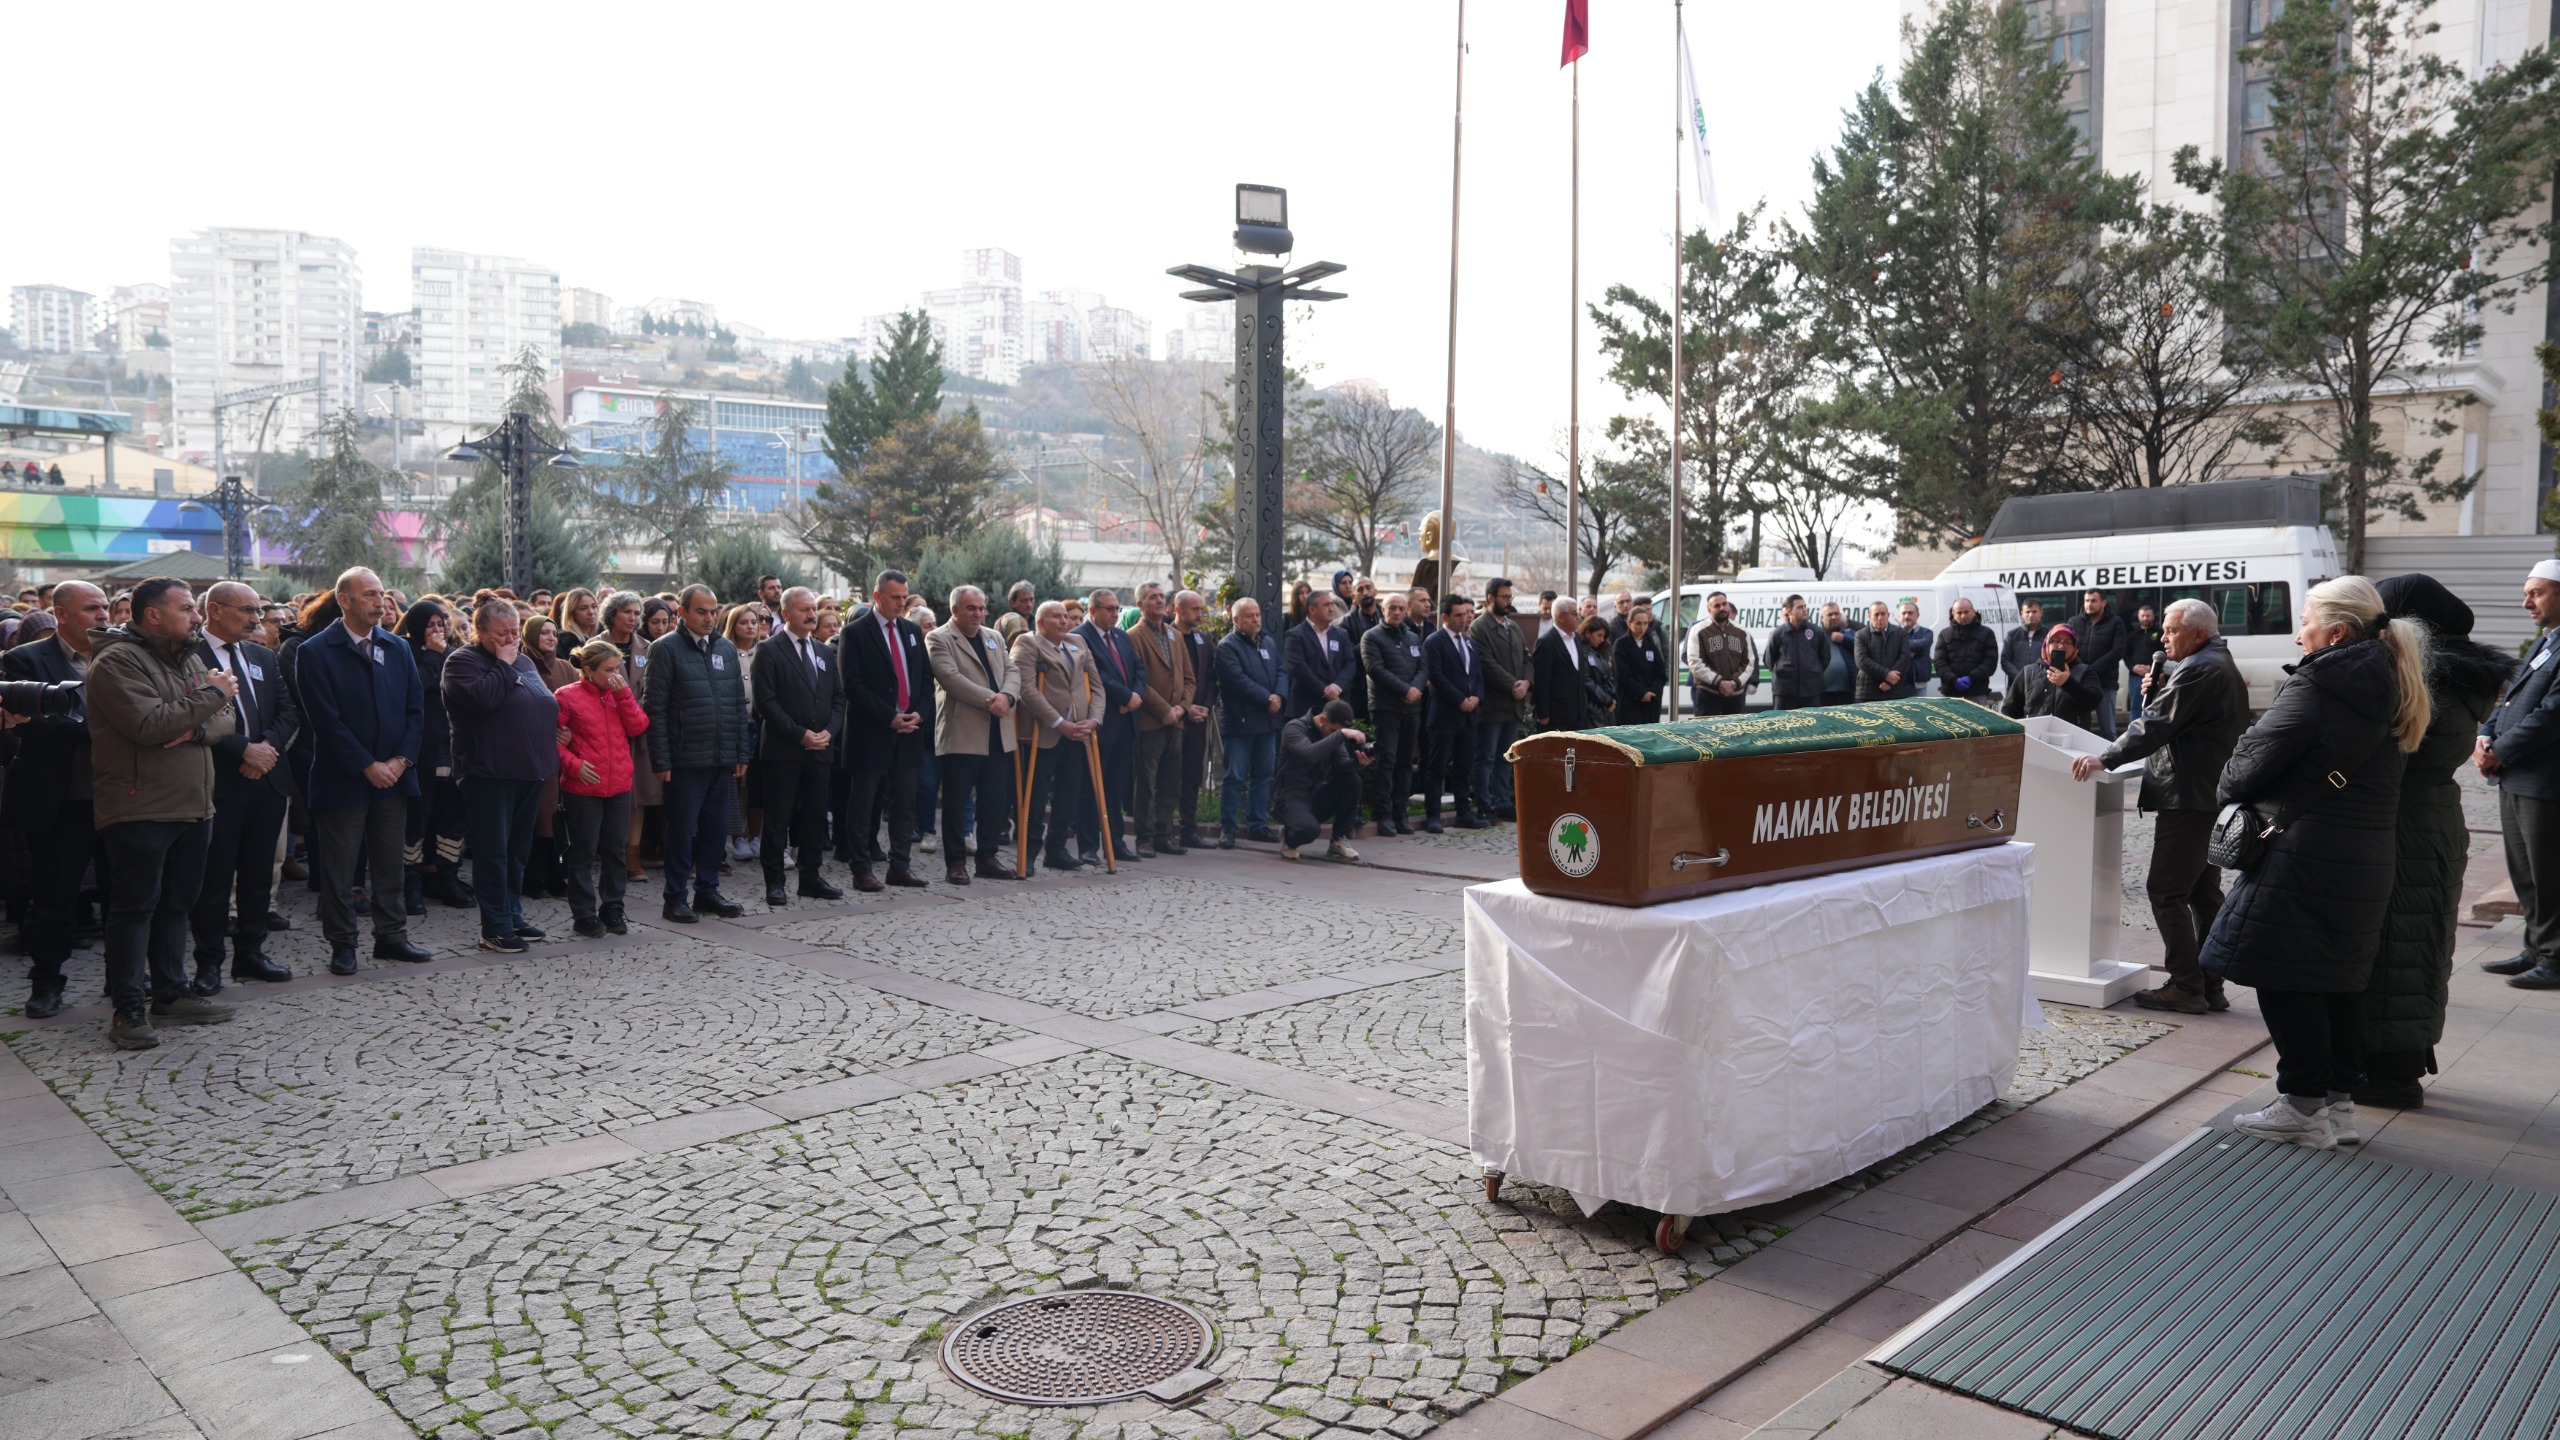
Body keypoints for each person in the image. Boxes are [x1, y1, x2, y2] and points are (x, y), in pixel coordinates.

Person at [2200, 576, 2429, 1149]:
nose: (2298, 632)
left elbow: (2242, 771)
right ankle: (2338, 1106)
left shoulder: (2321, 684)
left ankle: (2301, 1107)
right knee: (2338, 980)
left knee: (2284, 973)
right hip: (2364, 855)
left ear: (2336, 631)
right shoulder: (2393, 679)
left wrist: (2239, 769)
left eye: (2305, 620)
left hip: (2305, 852)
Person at [2353, 577, 2511, 1107]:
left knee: (2395, 943)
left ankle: (2390, 1072)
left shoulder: (2421, 679)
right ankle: (2406, 1056)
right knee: (2422, 943)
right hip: (2435, 820)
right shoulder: (2463, 678)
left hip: (2401, 819)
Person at [2069, 598, 2251, 1014]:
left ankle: (2187, 985)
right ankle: (2208, 982)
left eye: (2171, 631)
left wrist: (2106, 756)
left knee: (2166, 891)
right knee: (2203, 893)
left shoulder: (2201, 668)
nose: (2162, 638)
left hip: (2189, 797)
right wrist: (2167, 687)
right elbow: (2177, 715)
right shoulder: (2211, 661)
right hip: (2206, 794)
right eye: (2163, 631)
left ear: (2198, 634)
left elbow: (2156, 724)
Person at [85, 577, 239, 1050]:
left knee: (177, 906)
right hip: (139, 806)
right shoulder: (116, 661)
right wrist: (211, 697)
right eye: (189, 608)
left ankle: (171, 993)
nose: (198, 617)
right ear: (153, 615)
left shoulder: (188, 657)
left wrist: (194, 725)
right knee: (134, 909)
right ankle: (128, 1008)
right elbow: (150, 726)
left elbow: (225, 721)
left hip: (194, 805)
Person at [295, 568, 431, 975]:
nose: (381, 602)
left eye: (382, 594)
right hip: (343, 779)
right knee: (340, 870)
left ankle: (392, 936)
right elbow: (325, 720)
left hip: (394, 777)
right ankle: (343, 943)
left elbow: (415, 711)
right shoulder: (316, 650)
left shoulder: (397, 647)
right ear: (345, 600)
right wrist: (366, 765)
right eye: (370, 594)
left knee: (390, 863)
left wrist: (399, 761)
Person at [186, 581, 299, 996]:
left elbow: (288, 711)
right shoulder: (186, 656)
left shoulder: (261, 656)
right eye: (246, 610)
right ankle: (209, 962)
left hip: (266, 780)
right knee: (215, 880)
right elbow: (190, 717)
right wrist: (243, 752)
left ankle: (251, 953)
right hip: (219, 781)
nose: (256, 618)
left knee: (256, 877)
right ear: (214, 610)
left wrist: (265, 750)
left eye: (258, 610)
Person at [4, 582, 102, 1017]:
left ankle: (126, 981)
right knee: (54, 897)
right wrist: (98, 727)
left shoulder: (118, 654)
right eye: (91, 608)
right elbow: (22, 723)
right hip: (59, 800)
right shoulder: (22, 659)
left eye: (104, 607)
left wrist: (69, 720)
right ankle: (46, 983)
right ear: (60, 614)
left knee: (125, 896)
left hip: (121, 795)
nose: (102, 615)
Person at [442, 598, 561, 953]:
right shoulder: (462, 662)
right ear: (480, 632)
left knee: (517, 850)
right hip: (488, 772)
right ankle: (493, 926)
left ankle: (512, 914)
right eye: (502, 633)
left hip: (529, 770)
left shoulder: (523, 660)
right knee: (494, 852)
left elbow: (542, 702)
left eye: (515, 632)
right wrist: (505, 665)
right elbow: (485, 699)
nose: (511, 640)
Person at [645, 584, 751, 922]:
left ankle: (707, 891)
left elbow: (736, 704)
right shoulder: (666, 649)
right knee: (681, 831)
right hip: (684, 760)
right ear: (683, 613)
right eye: (701, 611)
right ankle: (675, 897)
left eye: (713, 610)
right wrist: (661, 760)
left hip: (721, 758)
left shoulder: (726, 649)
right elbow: (655, 708)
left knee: (715, 830)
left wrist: (740, 752)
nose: (710, 617)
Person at [2478, 560, 2560, 989]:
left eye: (2537, 592)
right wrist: (2485, 736)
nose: (2526, 602)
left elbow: (2552, 715)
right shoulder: (2546, 642)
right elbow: (2510, 702)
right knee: (2525, 870)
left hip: (2544, 780)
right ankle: (2536, 947)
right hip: (2515, 775)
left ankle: (2555, 956)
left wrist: (2501, 751)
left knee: (2548, 873)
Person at [750, 586, 847, 905]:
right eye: (804, 609)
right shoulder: (769, 650)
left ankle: (811, 877)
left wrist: (828, 733)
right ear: (787, 613)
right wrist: (800, 734)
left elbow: (837, 698)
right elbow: (766, 702)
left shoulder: (824, 652)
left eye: (812, 609)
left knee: (815, 816)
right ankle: (774, 881)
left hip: (820, 750)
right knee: (778, 818)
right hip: (783, 750)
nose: (811, 614)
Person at [840, 570, 936, 888]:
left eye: (904, 598)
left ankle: (900, 865)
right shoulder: (855, 632)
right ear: (877, 595)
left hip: (909, 731)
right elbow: (851, 685)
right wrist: (888, 716)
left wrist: (918, 714)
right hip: (872, 731)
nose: (900, 603)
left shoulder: (910, 630)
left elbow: (924, 679)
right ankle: (861, 869)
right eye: (895, 598)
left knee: (905, 802)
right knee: (864, 803)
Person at [926, 585, 1021, 884]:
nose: (978, 613)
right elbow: (950, 679)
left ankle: (987, 858)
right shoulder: (939, 638)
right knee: (956, 801)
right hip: (962, 732)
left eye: (981, 608)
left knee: (994, 800)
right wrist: (992, 700)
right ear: (955, 610)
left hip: (997, 732)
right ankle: (955, 862)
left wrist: (1008, 696)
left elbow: (1013, 671)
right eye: (971, 608)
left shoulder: (993, 637)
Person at [553, 639, 648, 936]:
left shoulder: (618, 694)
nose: (615, 674)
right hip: (583, 788)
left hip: (619, 785)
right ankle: (583, 914)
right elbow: (550, 741)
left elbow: (639, 726)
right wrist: (574, 765)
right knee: (582, 852)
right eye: (608, 669)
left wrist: (624, 696)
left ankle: (612, 907)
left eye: (617, 667)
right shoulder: (566, 697)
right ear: (589, 670)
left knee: (615, 851)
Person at [1012, 599, 1103, 873]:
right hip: (1045, 731)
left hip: (1078, 732)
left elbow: (1096, 686)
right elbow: (1027, 689)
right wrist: (1058, 722)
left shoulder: (1077, 643)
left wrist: (1094, 720)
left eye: (1065, 616)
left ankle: (1057, 849)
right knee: (1037, 793)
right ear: (1040, 623)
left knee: (1069, 792)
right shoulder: (1028, 644)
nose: (1064, 621)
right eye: (1056, 616)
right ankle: (1027, 852)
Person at [396, 600, 469, 908]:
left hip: (451, 748)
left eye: (442, 624)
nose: (437, 630)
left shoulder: (454, 656)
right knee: (416, 819)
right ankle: (411, 882)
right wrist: (432, 656)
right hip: (420, 750)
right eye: (430, 624)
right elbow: (414, 688)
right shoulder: (404, 654)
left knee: (451, 818)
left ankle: (446, 876)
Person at [1073, 589, 1143, 864]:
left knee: (1115, 786)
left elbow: (1139, 669)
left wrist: (1136, 696)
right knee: (1091, 786)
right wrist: (1125, 696)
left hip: (1125, 723)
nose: (1115, 614)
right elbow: (1094, 675)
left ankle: (1115, 843)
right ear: (1093, 610)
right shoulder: (1080, 636)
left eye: (1116, 609)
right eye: (1109, 609)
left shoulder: (1121, 636)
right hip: (1100, 722)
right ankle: (1088, 846)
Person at [1128, 583, 1192, 856]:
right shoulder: (1132, 636)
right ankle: (1144, 836)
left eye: (1161, 596)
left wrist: (1181, 708)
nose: (1158, 601)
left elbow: (1189, 679)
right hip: (1150, 720)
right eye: (1151, 597)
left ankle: (1165, 834)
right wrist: (1164, 709)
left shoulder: (1175, 635)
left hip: (1176, 720)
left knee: (1170, 780)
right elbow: (1137, 680)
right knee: (1146, 781)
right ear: (1140, 604)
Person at [1214, 597, 1284, 846]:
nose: (1255, 619)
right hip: (1240, 722)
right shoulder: (1227, 646)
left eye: (1257, 614)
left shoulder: (1268, 641)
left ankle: (1257, 825)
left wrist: (1279, 695)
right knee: (1234, 777)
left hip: (1267, 722)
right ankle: (1229, 828)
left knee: (1263, 776)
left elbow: (1281, 671)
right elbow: (1237, 681)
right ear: (1235, 620)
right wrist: (1268, 699)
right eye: (1248, 615)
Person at [1422, 594, 1488, 832]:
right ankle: (1433, 815)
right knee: (1437, 767)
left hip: (1469, 716)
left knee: (1464, 766)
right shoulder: (1434, 641)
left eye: (1466, 614)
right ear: (1445, 617)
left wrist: (1477, 697)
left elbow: (1478, 675)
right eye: (1458, 615)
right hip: (1444, 716)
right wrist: (1460, 699)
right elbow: (1437, 676)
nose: (1464, 619)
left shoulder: (1469, 642)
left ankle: (1463, 811)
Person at [1361, 591, 1425, 834]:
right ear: (1383, 610)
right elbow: (1375, 669)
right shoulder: (1371, 637)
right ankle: (1384, 814)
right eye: (1392, 608)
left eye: (1400, 608)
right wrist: (1404, 689)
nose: (1397, 612)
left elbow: (1423, 666)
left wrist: (1415, 689)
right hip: (1386, 707)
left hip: (1412, 708)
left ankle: (1401, 813)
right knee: (1386, 761)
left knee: (1406, 762)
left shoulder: (1412, 637)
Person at [1276, 698, 1371, 862]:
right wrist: (1341, 735)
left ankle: (1339, 839)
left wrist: (1359, 762)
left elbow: (1342, 766)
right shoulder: (1295, 727)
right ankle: (1289, 836)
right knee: (1309, 831)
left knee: (1352, 780)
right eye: (1333, 730)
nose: (1336, 734)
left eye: (1339, 731)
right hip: (1290, 795)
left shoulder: (1334, 734)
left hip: (1316, 793)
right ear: (1322, 720)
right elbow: (1309, 753)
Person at [1468, 578, 1531, 821]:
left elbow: (1527, 659)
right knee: (1486, 757)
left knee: (1506, 757)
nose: (1509, 602)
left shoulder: (1512, 627)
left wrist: (1526, 682)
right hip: (1494, 704)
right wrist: (1512, 684)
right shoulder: (1479, 627)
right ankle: (1485, 803)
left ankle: (1503, 802)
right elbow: (1486, 662)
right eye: (1505, 597)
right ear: (1491, 598)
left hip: (1514, 703)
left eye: (1510, 597)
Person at [1173, 591, 1217, 850]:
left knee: (1193, 775)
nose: (1200, 614)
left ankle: (1189, 830)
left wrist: (1207, 707)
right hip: (1175, 717)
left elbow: (1211, 677)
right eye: (1194, 610)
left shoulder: (1203, 638)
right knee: (1169, 776)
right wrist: (1186, 707)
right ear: (1178, 610)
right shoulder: (1167, 635)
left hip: (1199, 718)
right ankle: (1162, 829)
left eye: (1201, 609)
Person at [2001, 624, 2100, 729]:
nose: (2061, 646)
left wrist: (2067, 682)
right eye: (2056, 641)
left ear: (2075, 647)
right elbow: (2009, 708)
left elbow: (2093, 702)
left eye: (2068, 642)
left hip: (2072, 738)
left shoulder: (2085, 671)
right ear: (2047, 643)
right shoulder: (2028, 671)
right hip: (2034, 737)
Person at [1285, 588, 1358, 723]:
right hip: (1307, 708)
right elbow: (1299, 668)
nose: (1331, 609)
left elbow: (1350, 663)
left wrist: (1337, 687)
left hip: (1339, 705)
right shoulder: (1295, 635)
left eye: (1331, 604)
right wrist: (1325, 691)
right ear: (1312, 610)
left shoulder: (1341, 634)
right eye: (1326, 605)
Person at [2069, 589, 2131, 739]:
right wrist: (2083, 670)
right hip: (2079, 683)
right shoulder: (2074, 622)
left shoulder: (2116, 622)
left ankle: (2111, 762)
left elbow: (2118, 650)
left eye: (2093, 601)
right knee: (2078, 727)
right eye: (2087, 600)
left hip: (2105, 682)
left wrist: (2091, 670)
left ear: (2103, 602)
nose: (2089, 604)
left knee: (2108, 730)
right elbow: (2069, 648)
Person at [1532, 599, 1594, 731]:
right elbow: (1541, 681)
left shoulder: (1576, 638)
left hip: (1577, 714)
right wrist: (1543, 713)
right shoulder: (1546, 642)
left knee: (1575, 751)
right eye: (1574, 613)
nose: (1578, 617)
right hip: (1556, 716)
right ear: (1561, 616)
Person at [1689, 592, 1754, 714]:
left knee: (1734, 732)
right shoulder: (1698, 631)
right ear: (1709, 609)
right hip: (1709, 695)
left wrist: (1734, 682)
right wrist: (1719, 682)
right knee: (1707, 732)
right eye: (1717, 605)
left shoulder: (1741, 632)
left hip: (1735, 695)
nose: (1722, 608)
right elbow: (1695, 662)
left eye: (1724, 604)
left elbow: (1749, 662)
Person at [1762, 596, 1827, 712]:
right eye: (1800, 607)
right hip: (1785, 692)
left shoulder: (1816, 632)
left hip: (1810, 691)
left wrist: (1813, 671)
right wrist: (1784, 672)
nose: (1804, 610)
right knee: (1783, 725)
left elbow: (1825, 658)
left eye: (1805, 607)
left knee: (1811, 725)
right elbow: (1769, 660)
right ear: (1789, 611)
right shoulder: (1778, 634)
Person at [1932, 599, 2000, 706]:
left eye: (1966, 612)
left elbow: (1990, 663)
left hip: (1977, 691)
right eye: (1959, 613)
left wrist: (1971, 677)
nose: (1963, 616)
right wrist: (1953, 680)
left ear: (1973, 611)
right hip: (1950, 692)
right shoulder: (1945, 634)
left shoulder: (1986, 633)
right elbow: (1939, 662)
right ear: (1953, 614)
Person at [1614, 606, 1664, 725]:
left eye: (1645, 623)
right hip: (1630, 702)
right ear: (1629, 623)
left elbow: (1660, 673)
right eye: (1638, 624)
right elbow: (1623, 674)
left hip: (1650, 702)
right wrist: (1641, 693)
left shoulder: (1650, 644)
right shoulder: (1621, 644)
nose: (1642, 628)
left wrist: (1652, 691)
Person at [1853, 602, 1913, 702]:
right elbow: (1861, 660)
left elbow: (1905, 657)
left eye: (1883, 614)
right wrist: (1886, 674)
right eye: (1876, 614)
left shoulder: (1900, 633)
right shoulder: (1861, 635)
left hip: (1896, 690)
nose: (1880, 617)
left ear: (1888, 615)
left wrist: (1890, 680)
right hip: (1868, 691)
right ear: (1869, 616)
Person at [1576, 614, 1620, 727]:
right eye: (1599, 635)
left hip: (1604, 709)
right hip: (1591, 709)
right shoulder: (1581, 652)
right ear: (1587, 633)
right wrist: (1606, 699)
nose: (1601, 639)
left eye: (1603, 636)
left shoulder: (1601, 652)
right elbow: (1586, 680)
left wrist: (1611, 698)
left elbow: (1609, 676)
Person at [2001, 598, 2051, 692]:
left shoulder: (2049, 635)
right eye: (2027, 612)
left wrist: (2039, 677)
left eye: (2034, 611)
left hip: (2041, 687)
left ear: (2041, 613)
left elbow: (2050, 660)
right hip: (2016, 687)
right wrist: (2020, 677)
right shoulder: (2012, 635)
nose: (2031, 615)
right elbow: (2005, 661)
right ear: (2021, 613)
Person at [2126, 604, 2164, 725]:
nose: (2145, 618)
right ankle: (2134, 734)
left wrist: (2152, 668)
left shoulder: (2160, 634)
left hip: (2154, 675)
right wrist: (2133, 667)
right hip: (2135, 676)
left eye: (2148, 616)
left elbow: (2164, 653)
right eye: (2143, 615)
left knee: (2155, 707)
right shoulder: (2132, 635)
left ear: (2153, 616)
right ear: (2138, 617)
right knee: (2136, 707)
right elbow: (2125, 654)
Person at [1818, 602, 1858, 706]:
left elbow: (1860, 648)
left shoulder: (1849, 633)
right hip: (1822, 693)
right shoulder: (1816, 636)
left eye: (1836, 614)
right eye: (1830, 614)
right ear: (1822, 617)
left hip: (1847, 692)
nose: (1834, 617)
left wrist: (1844, 639)